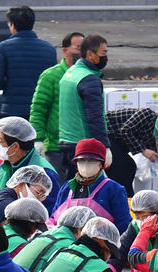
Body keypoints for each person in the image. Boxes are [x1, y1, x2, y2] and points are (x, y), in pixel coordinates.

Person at [57, 34, 110, 181]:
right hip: (84, 147)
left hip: (66, 141)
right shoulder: (89, 79)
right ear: (90, 54)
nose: (105, 57)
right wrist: (104, 146)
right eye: (103, 53)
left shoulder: (70, 73)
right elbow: (95, 117)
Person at [27, 32, 84, 167]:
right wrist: (38, 139)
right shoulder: (51, 76)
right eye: (78, 48)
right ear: (65, 51)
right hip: (57, 147)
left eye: (84, 48)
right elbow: (38, 109)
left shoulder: (88, 75)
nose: (82, 53)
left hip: (83, 147)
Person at [0, 7, 55, 119]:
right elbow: (53, 81)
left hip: (13, 109)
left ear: (13, 25)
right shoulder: (49, 48)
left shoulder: (4, 47)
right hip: (42, 109)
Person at [53, 138, 133, 230]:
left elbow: (123, 225)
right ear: (76, 163)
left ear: (101, 164)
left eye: (92, 160)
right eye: (81, 160)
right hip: (65, 242)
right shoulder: (67, 188)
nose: (86, 164)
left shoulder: (114, 189)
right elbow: (53, 219)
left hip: (100, 243)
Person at [0, 118, 61, 210]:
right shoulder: (3, 168)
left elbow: (49, 212)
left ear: (15, 146)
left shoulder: (46, 174)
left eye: (1, 141)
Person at [103, 107, 158, 194]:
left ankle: (126, 197)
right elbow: (126, 131)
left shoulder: (157, 139)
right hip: (106, 132)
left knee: (130, 167)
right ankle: (124, 199)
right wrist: (143, 150)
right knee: (123, 167)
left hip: (118, 142)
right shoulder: (148, 114)